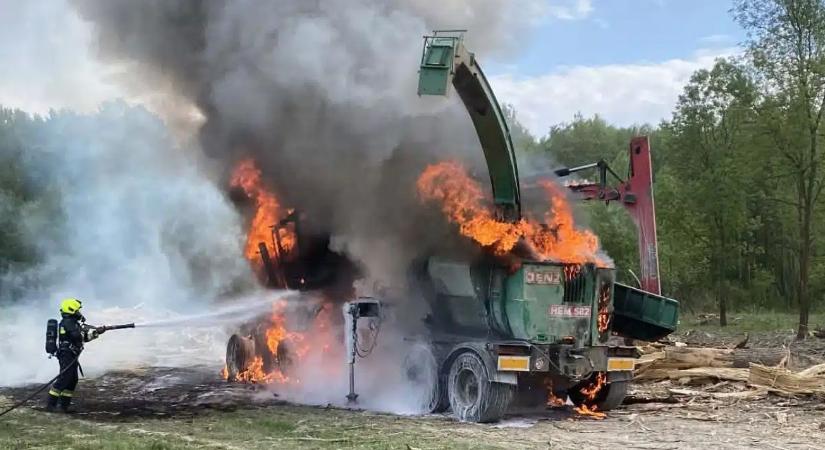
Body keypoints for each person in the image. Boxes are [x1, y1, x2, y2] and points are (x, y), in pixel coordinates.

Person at [45, 298, 103, 412]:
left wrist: (96, 333)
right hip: (66, 354)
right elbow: (78, 337)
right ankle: (50, 406)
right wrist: (86, 331)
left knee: (72, 380)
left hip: (72, 354)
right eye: (77, 310)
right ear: (71, 310)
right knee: (64, 378)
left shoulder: (73, 323)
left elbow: (83, 339)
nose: (79, 313)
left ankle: (63, 407)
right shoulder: (68, 323)